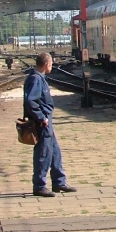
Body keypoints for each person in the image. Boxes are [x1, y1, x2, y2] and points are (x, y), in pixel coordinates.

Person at [23, 52, 77, 197]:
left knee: (54, 152)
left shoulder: (39, 78)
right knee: (43, 153)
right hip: (41, 123)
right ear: (47, 64)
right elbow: (30, 101)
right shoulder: (36, 79)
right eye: (51, 64)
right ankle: (39, 185)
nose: (51, 67)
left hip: (46, 122)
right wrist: (41, 117)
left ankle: (59, 181)